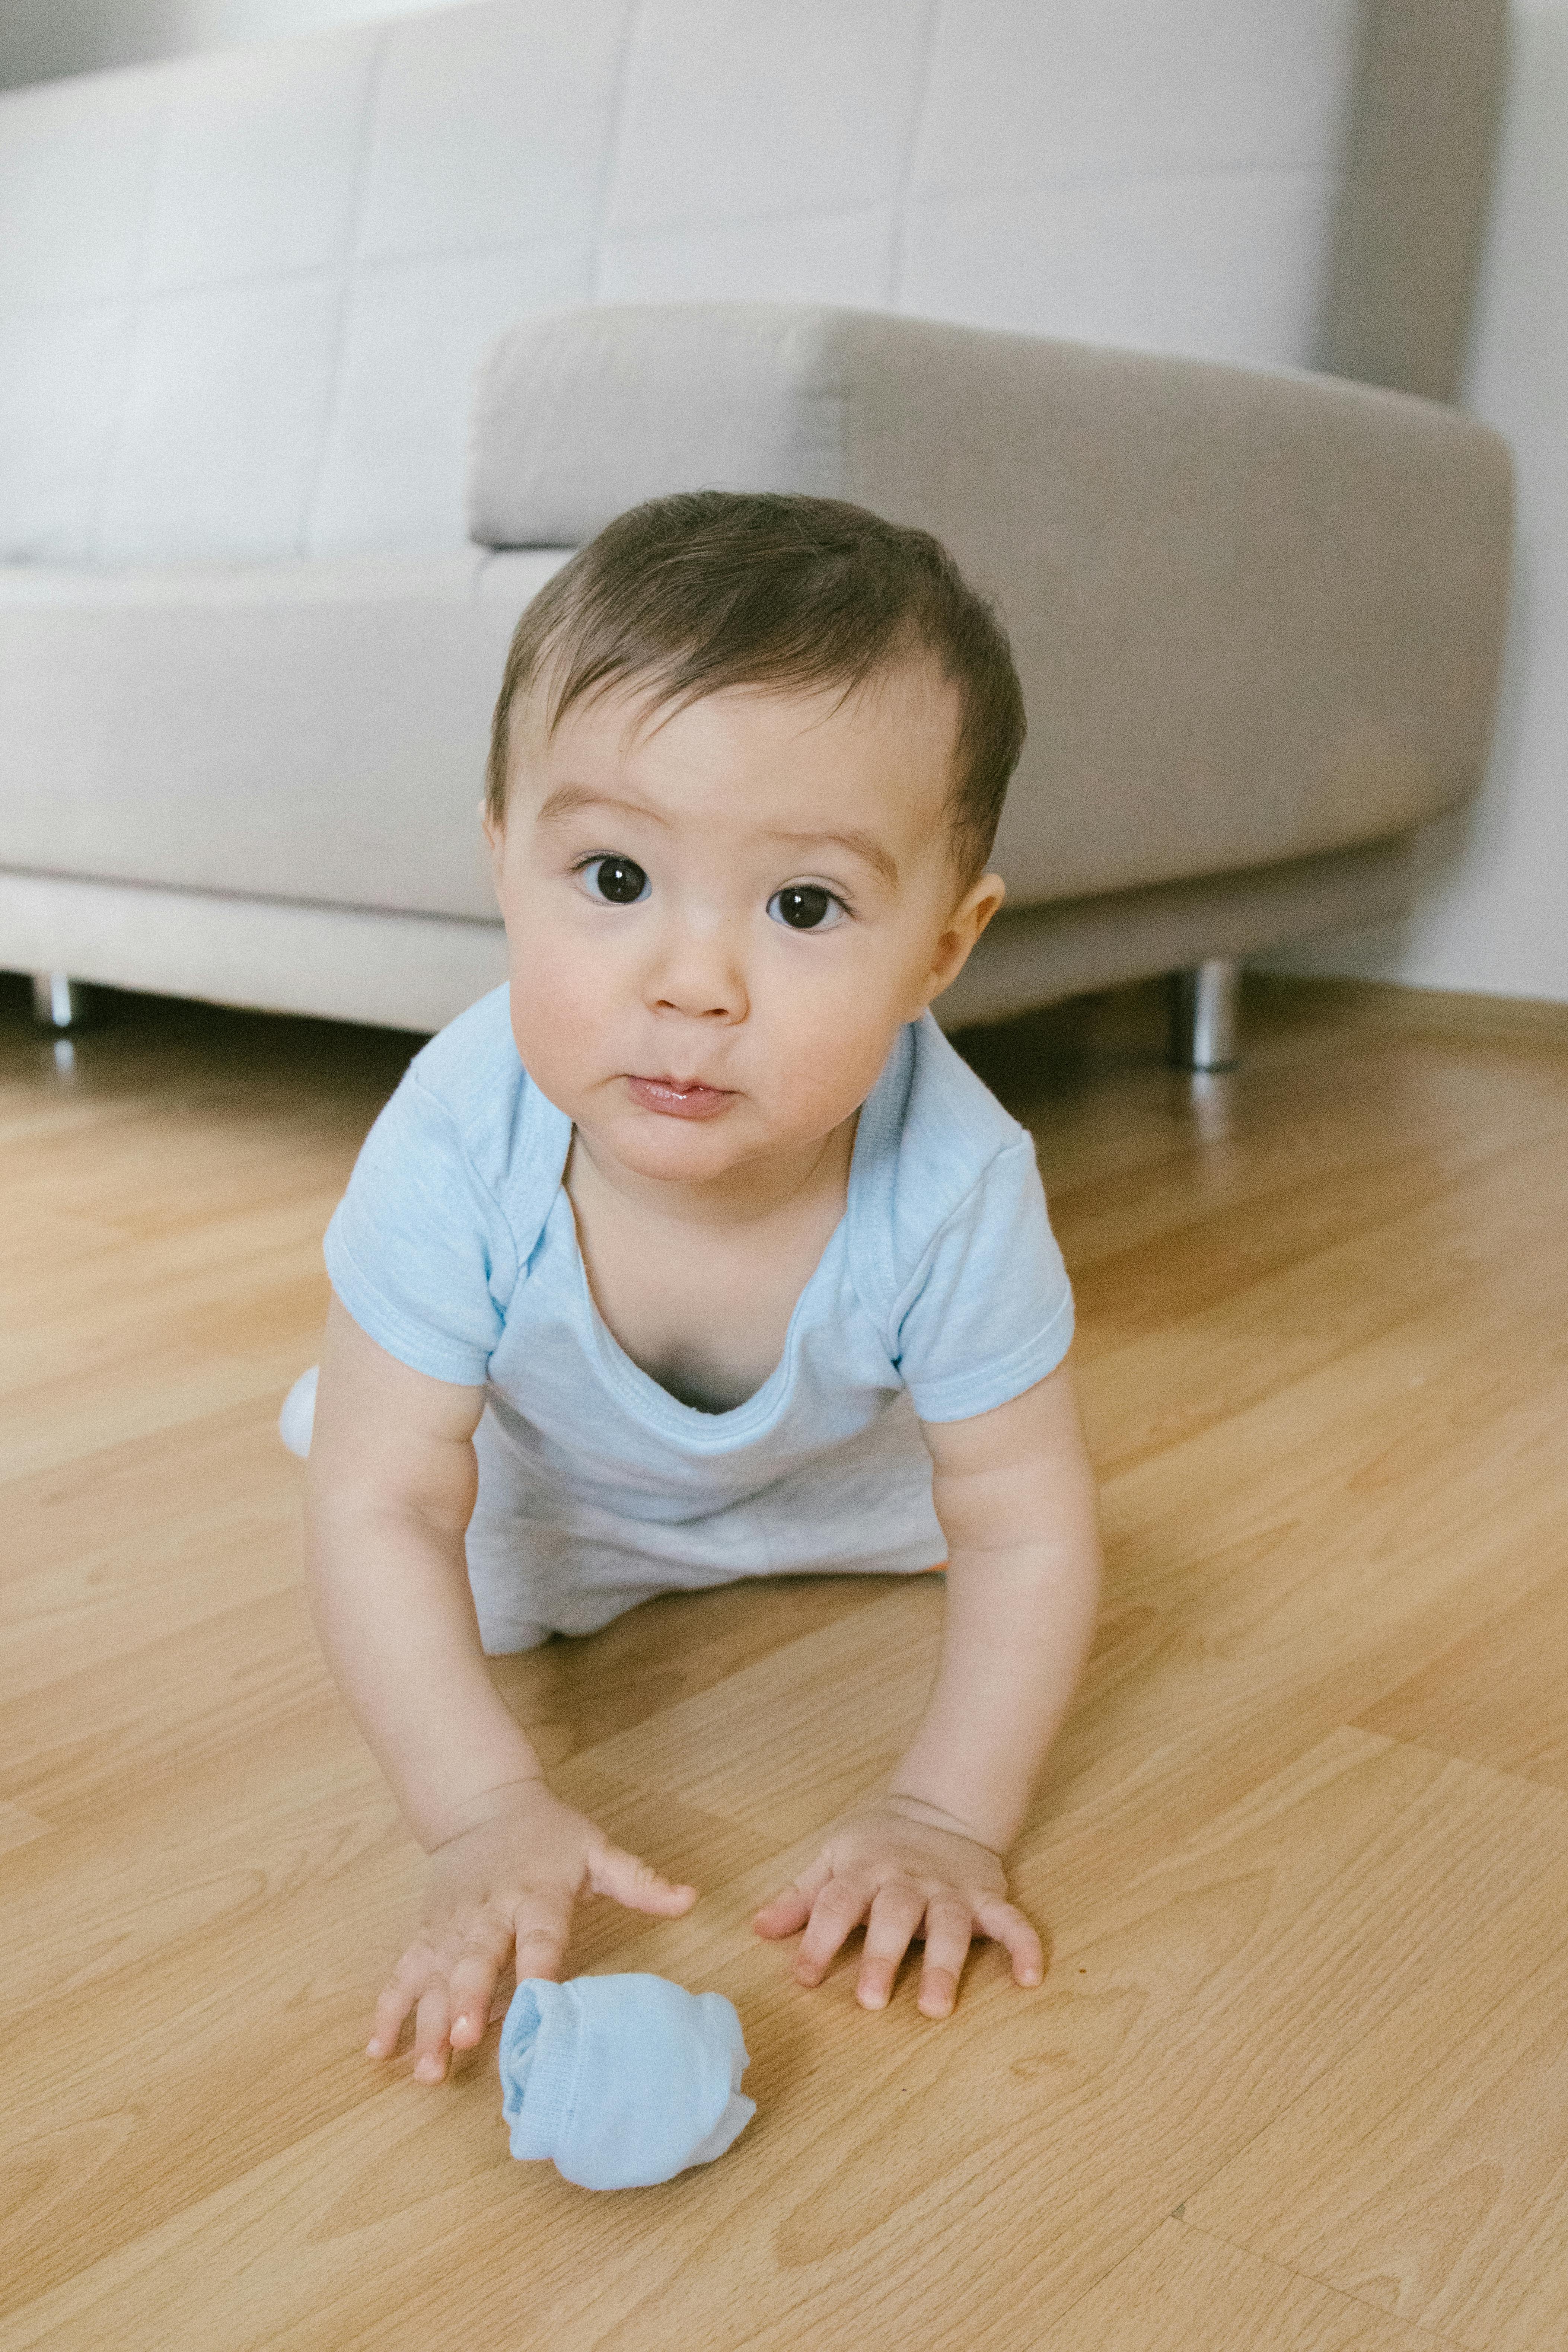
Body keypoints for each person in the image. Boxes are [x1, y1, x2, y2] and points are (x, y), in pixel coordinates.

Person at [303, 490, 1102, 2087]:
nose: (691, 982)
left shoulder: (955, 1179)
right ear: (503, 861)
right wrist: (478, 1808)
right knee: (392, 1493)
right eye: (611, 878)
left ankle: (741, 1531)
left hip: (833, 1486)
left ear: (944, 946)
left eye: (803, 906)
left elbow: (1024, 1518)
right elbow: (384, 1506)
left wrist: (948, 1812)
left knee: (983, 1520)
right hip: (534, 1489)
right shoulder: (457, 1135)